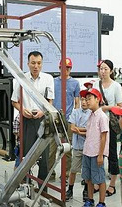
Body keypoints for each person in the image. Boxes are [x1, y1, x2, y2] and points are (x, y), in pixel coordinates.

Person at [11, 51, 54, 186]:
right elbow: (14, 101)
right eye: (33, 63)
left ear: (42, 64)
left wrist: (43, 111)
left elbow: (50, 101)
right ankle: (26, 186)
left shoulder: (48, 79)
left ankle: (43, 189)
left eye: (39, 63)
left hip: (43, 120)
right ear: (28, 64)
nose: (36, 66)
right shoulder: (21, 79)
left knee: (44, 158)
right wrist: (22, 110)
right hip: (27, 121)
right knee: (26, 156)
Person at [93, 59, 122, 197]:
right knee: (97, 151)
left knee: (111, 152)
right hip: (96, 121)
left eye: (106, 69)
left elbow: (120, 106)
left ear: (111, 70)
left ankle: (112, 184)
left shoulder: (116, 86)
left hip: (109, 122)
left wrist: (106, 107)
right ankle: (98, 181)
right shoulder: (95, 84)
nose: (103, 71)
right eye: (101, 69)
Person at [49, 57, 80, 181]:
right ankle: (50, 174)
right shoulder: (53, 82)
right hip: (55, 119)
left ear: (70, 69)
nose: (65, 70)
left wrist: (75, 117)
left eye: (68, 68)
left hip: (68, 119)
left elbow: (77, 102)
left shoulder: (75, 83)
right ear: (59, 68)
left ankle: (66, 174)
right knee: (51, 148)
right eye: (63, 68)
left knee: (67, 148)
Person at [79, 88, 109, 207]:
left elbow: (103, 137)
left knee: (100, 179)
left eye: (89, 98)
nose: (87, 101)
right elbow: (90, 132)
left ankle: (101, 202)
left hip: (97, 153)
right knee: (88, 178)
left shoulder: (102, 116)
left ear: (97, 99)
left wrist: (101, 155)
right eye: (86, 99)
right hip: (88, 151)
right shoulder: (91, 115)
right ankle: (90, 200)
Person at [65, 96, 91, 201]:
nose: (84, 102)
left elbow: (91, 129)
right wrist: (84, 130)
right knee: (73, 169)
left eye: (86, 100)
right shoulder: (75, 112)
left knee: (86, 170)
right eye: (82, 100)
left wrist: (79, 130)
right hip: (77, 146)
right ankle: (70, 189)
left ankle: (86, 190)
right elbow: (72, 128)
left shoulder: (91, 113)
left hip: (88, 147)